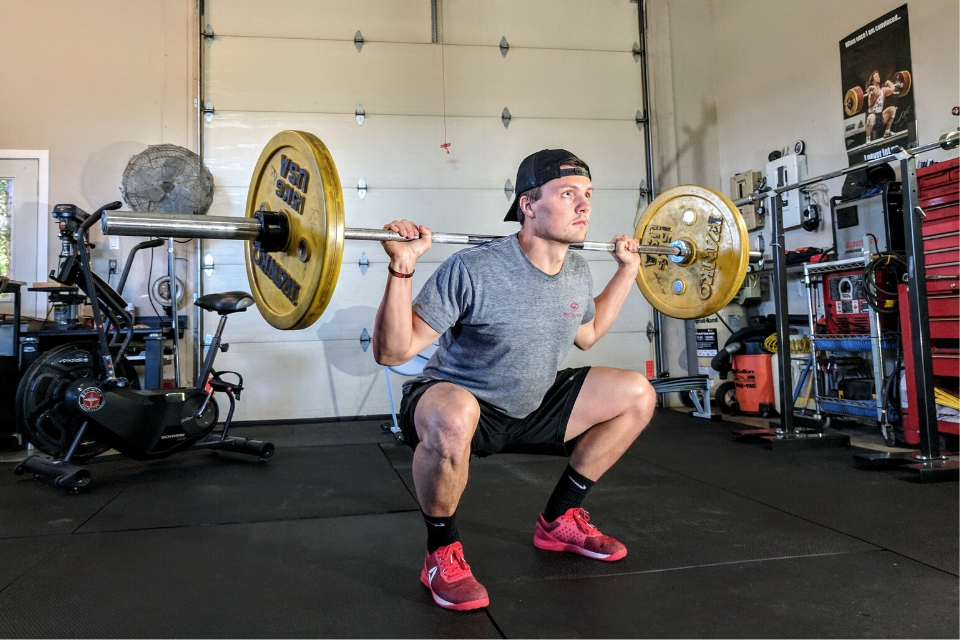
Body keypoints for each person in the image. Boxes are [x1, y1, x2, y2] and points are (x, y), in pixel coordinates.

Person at [372, 149, 656, 611]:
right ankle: (440, 552)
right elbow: (393, 351)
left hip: (530, 403)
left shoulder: (579, 271)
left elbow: (588, 333)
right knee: (455, 414)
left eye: (587, 195)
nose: (584, 206)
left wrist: (628, 271)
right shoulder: (474, 268)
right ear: (528, 205)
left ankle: (560, 519)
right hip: (459, 403)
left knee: (638, 394)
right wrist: (402, 266)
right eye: (568, 194)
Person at [864, 70, 897, 141]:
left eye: (878, 76)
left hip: (881, 117)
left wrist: (889, 82)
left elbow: (892, 89)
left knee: (893, 109)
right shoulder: (871, 93)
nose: (878, 77)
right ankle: (868, 138)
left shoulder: (883, 90)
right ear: (872, 81)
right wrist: (871, 88)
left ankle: (887, 132)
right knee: (870, 117)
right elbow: (877, 94)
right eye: (876, 77)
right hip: (873, 120)